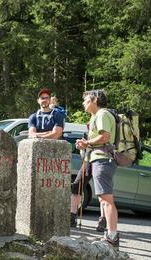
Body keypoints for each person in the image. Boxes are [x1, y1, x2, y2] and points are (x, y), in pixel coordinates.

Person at [71, 89, 119, 247]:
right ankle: (110, 235)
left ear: (95, 100)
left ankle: (112, 236)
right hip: (95, 159)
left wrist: (87, 143)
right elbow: (99, 138)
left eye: (86, 100)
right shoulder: (96, 116)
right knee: (103, 199)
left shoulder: (103, 114)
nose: (83, 103)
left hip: (102, 160)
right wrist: (84, 144)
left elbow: (104, 137)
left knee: (106, 200)